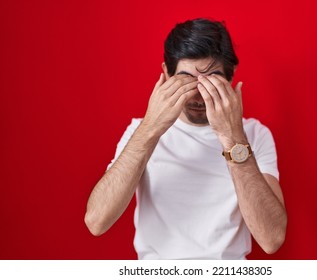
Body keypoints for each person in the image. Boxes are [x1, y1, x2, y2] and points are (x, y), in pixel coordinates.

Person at [84, 18, 287, 259]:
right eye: (185, 80)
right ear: (166, 75)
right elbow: (96, 222)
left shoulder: (254, 134)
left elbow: (271, 238)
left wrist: (231, 136)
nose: (198, 96)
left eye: (211, 81)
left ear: (231, 80)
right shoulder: (140, 131)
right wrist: (151, 128)